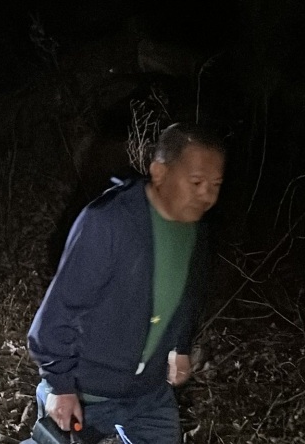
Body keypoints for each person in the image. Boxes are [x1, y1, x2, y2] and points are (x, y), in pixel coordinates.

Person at [26, 122, 226, 444]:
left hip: (148, 394)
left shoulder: (196, 232)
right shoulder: (108, 223)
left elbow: (187, 296)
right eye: (196, 182)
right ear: (159, 172)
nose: (207, 196)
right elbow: (55, 316)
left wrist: (180, 347)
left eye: (215, 184)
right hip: (86, 390)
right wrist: (60, 386)